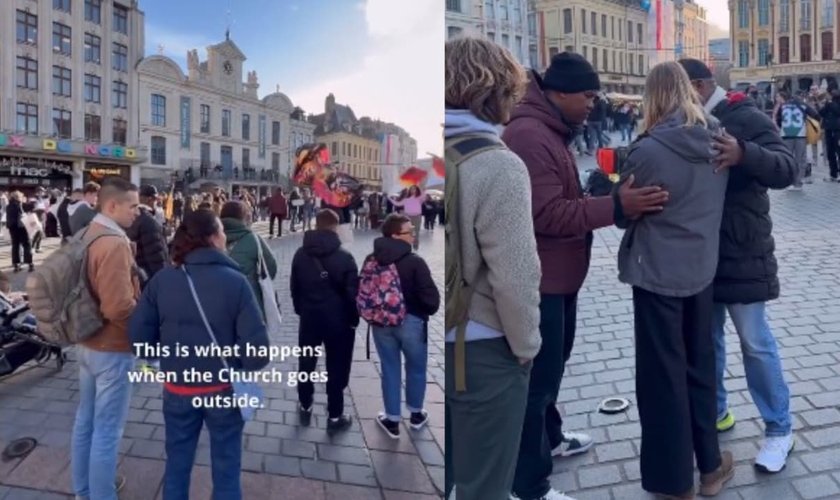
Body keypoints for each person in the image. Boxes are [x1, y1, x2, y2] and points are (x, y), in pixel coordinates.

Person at [501, 51, 669, 500]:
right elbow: (546, 213)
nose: (593, 103)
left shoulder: (549, 128)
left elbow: (557, 193)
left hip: (559, 277)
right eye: (588, 96)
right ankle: (529, 486)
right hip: (541, 280)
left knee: (551, 375)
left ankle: (550, 441)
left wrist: (593, 190)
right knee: (536, 386)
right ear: (558, 94)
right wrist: (616, 207)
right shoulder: (529, 134)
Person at [615, 61, 732, 500]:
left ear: (652, 96)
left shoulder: (646, 150)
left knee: (662, 379)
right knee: (700, 368)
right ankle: (711, 471)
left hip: (658, 273)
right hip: (702, 269)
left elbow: (627, 214)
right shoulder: (719, 139)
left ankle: (674, 482)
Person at [680, 58, 797, 474]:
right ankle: (717, 412)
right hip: (699, 255)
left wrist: (743, 152)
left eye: (680, 88)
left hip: (742, 254)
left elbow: (788, 168)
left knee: (754, 342)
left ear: (697, 85)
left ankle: (780, 428)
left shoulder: (743, 114)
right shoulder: (684, 119)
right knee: (706, 341)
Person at [443, 37, 543, 500]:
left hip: (441, 342)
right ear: (497, 90)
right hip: (480, 347)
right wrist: (526, 346)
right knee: (483, 487)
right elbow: (516, 276)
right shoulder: (498, 164)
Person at [128, 209, 271, 500]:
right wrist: (235, 364)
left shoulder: (162, 280)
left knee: (177, 464)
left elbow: (138, 339)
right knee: (227, 467)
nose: (225, 237)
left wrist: (164, 359)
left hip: (178, 389)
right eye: (221, 231)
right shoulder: (237, 282)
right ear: (212, 238)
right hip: (222, 389)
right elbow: (258, 353)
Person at [71, 177, 141, 500]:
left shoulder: (86, 234)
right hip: (112, 347)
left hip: (85, 342)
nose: (137, 212)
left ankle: (83, 490)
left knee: (85, 421)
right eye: (133, 206)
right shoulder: (114, 243)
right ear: (112, 206)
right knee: (108, 431)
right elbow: (118, 308)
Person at [369, 214, 440, 438]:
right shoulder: (415, 261)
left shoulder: (373, 259)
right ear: (395, 235)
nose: (413, 234)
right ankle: (416, 414)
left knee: (390, 368)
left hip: (381, 322)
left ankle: (392, 419)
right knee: (416, 367)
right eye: (409, 231)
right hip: (412, 322)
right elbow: (432, 300)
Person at [290, 209, 358, 434]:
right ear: (335, 227)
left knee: (306, 362)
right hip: (338, 320)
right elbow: (352, 295)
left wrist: (303, 310)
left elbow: (294, 288)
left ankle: (305, 403)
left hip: (310, 317)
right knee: (336, 366)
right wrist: (353, 319)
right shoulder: (345, 257)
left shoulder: (301, 253)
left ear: (316, 224)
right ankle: (335, 414)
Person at [221, 200, 277, 317]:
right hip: (249, 299)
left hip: (219, 299)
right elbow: (271, 267)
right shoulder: (253, 239)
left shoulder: (211, 237)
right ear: (243, 217)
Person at [127, 185, 169, 288]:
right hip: (147, 278)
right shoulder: (148, 221)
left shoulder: (128, 218)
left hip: (132, 275)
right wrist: (163, 281)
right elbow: (156, 255)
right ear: (150, 200)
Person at [774, 91, 818, 190]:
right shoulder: (803, 106)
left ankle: (788, 181)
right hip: (800, 134)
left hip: (786, 134)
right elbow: (815, 115)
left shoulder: (783, 106)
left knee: (788, 159)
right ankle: (798, 183)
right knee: (800, 159)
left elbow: (778, 119)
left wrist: (784, 126)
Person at [5, 192, 33, 273]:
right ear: (18, 197)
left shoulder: (8, 206)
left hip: (12, 228)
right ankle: (30, 264)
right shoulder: (20, 205)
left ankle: (16, 265)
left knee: (15, 246)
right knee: (26, 245)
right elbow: (31, 207)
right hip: (21, 227)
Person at [819, 88, 840, 182]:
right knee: (830, 153)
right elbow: (821, 113)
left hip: (837, 130)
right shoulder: (828, 104)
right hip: (828, 130)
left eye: (827, 94)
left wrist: (830, 103)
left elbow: (837, 112)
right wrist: (825, 104)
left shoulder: (836, 103)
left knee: (838, 151)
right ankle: (833, 174)